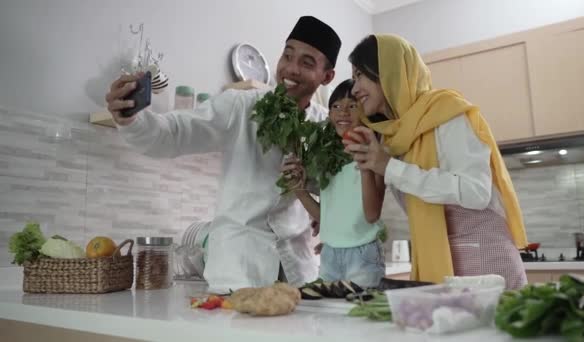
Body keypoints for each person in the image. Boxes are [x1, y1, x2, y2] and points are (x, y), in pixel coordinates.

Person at [104, 16, 341, 290]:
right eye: (287, 55)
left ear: (327, 76)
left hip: (299, 275)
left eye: (306, 62)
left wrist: (332, 217)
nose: (291, 68)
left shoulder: (327, 126)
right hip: (238, 271)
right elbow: (174, 133)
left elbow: (336, 186)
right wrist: (131, 118)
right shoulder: (241, 107)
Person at [344, 34, 528, 289]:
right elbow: (371, 213)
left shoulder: (445, 112)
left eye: (360, 76)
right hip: (441, 269)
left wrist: (389, 167)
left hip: (485, 265)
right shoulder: (392, 137)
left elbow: (476, 191)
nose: (354, 90)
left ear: (387, 71)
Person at [281, 79, 386, 288]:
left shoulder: (376, 158)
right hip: (330, 255)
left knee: (360, 319)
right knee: (330, 320)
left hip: (363, 255)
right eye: (336, 106)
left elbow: (372, 214)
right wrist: (300, 191)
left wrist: (364, 167)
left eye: (352, 106)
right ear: (329, 115)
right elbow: (327, 219)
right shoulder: (328, 162)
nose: (343, 112)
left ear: (367, 112)